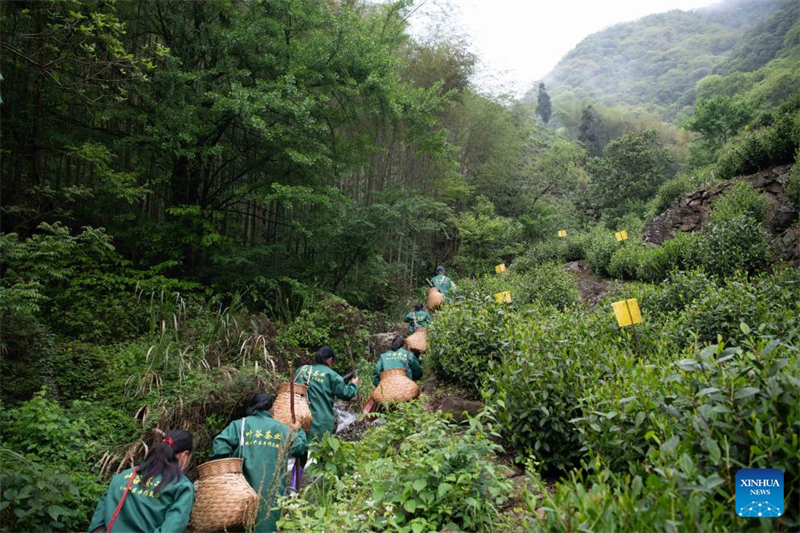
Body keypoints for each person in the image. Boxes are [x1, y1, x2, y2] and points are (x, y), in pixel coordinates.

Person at [210, 393, 308, 533]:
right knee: (267, 523)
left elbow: (220, 447)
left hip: (240, 491)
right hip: (271, 492)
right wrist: (299, 431)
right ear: (270, 408)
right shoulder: (281, 429)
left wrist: (228, 468)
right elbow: (300, 448)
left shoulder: (239, 425)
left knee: (240, 524)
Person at [88, 430, 195, 533]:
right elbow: (172, 527)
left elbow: (97, 522)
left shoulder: (121, 477)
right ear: (184, 455)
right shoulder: (182, 486)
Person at [293, 346, 360, 443]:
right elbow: (346, 394)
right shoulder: (332, 375)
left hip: (298, 419)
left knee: (298, 449)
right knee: (314, 453)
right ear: (330, 359)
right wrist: (354, 385)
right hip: (319, 421)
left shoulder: (301, 370)